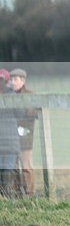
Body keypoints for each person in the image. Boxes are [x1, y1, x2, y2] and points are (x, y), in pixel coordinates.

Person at [9, 68, 36, 195]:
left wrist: (21, 116)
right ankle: (16, 192)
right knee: (13, 167)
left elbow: (33, 112)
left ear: (23, 81)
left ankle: (30, 192)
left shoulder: (30, 95)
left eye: (15, 79)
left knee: (26, 166)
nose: (13, 82)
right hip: (11, 138)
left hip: (25, 137)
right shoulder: (8, 95)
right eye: (11, 80)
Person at [0, 69, 21, 197]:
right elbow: (20, 114)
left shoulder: (12, 96)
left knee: (7, 171)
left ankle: (6, 198)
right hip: (10, 141)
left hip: (9, 141)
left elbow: (20, 113)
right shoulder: (13, 96)